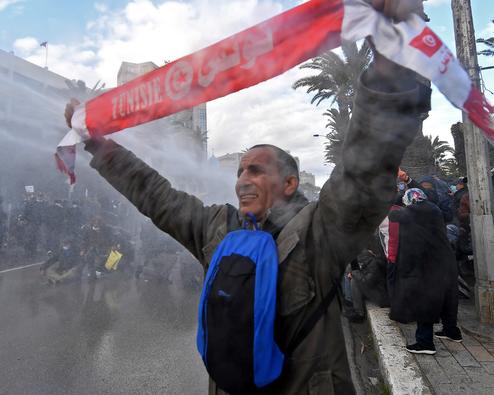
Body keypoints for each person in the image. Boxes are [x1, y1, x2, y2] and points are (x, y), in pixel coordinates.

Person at [63, 6, 429, 393]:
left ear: (290, 183)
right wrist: (96, 145)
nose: (243, 180)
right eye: (240, 171)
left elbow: (364, 167)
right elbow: (154, 193)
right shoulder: (217, 227)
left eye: (256, 170)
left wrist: (390, 59)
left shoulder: (319, 233)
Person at [388, 188, 462, 355]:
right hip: (447, 261)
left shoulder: (413, 212)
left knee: (425, 302)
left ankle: (425, 342)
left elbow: (394, 216)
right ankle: (452, 332)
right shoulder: (434, 209)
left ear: (410, 201)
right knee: (449, 300)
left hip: (430, 266)